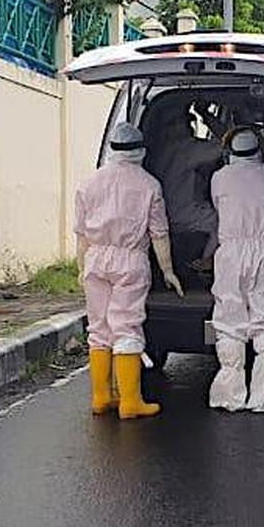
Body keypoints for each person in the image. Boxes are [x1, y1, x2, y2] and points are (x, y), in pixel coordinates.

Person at [75, 123, 183, 420]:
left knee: (98, 329)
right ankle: (131, 402)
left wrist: (81, 266)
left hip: (95, 258)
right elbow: (159, 233)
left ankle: (100, 397)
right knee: (127, 327)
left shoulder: (88, 183)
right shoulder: (149, 185)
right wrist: (168, 270)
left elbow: (81, 234)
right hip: (130, 260)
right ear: (141, 151)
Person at [209, 127, 264, 413]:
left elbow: (218, 208)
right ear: (260, 150)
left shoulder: (219, 178)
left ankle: (229, 396)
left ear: (230, 152)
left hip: (230, 253)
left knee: (229, 318)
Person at [145, 108, 223, 274]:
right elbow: (226, 146)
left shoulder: (156, 149)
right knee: (222, 221)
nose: (190, 126)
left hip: (157, 215)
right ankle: (205, 262)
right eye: (188, 122)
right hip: (183, 214)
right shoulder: (187, 149)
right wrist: (208, 118)